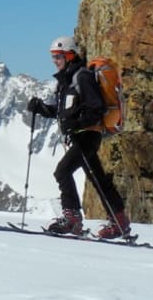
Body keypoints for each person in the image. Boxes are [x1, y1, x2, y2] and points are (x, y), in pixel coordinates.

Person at [27, 36, 131, 239]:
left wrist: (77, 123)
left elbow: (96, 108)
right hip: (80, 136)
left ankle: (73, 219)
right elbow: (63, 112)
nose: (54, 60)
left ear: (69, 55)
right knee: (98, 178)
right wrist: (41, 108)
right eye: (53, 57)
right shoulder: (66, 81)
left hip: (87, 136)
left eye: (58, 56)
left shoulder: (81, 76)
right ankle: (119, 220)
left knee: (62, 172)